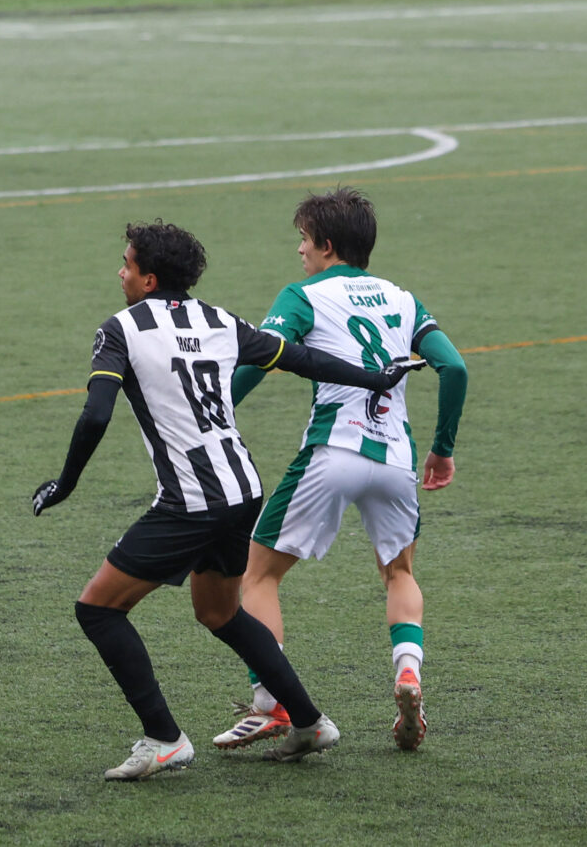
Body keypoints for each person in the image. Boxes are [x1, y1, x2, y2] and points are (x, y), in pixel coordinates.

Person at [29, 221, 409, 781]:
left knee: (99, 608)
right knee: (219, 612)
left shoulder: (121, 330)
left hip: (191, 502)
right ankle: (309, 722)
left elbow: (96, 413)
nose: (121, 272)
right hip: (242, 492)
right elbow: (301, 359)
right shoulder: (220, 321)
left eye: (127, 264)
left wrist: (66, 482)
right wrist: (373, 379)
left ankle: (164, 738)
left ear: (149, 278)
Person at [210, 188, 469, 754]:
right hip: (395, 460)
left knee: (257, 576)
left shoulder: (304, 295)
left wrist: (217, 413)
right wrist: (442, 449)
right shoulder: (403, 299)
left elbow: (263, 353)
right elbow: (454, 367)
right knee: (399, 573)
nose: (299, 250)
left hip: (333, 452)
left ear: (326, 245)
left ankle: (270, 703)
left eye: (304, 239)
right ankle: (407, 672)